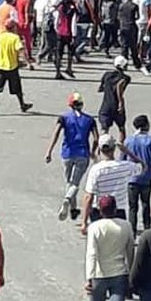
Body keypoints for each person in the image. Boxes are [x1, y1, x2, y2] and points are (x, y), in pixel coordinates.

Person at [84, 195, 135, 301]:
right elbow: (130, 251)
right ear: (115, 209)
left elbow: (92, 254)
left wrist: (89, 277)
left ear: (100, 210)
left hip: (99, 274)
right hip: (119, 274)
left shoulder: (95, 227)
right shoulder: (126, 226)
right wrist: (130, 272)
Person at [45, 92, 99, 221]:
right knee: (75, 183)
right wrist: (92, 151)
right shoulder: (90, 120)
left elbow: (56, 134)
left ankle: (73, 209)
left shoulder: (64, 118)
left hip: (67, 153)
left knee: (69, 181)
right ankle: (68, 200)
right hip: (82, 153)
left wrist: (49, 151)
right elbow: (96, 138)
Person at [81, 134, 146, 234]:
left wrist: (84, 222)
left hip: (99, 210)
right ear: (114, 148)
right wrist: (127, 151)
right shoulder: (125, 166)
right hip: (118, 210)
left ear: (99, 149)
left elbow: (88, 196)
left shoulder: (96, 170)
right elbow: (143, 167)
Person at [124, 115, 151, 237]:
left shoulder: (128, 140)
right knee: (146, 204)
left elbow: (122, 158)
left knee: (132, 207)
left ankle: (132, 232)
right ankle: (147, 230)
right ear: (146, 125)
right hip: (146, 178)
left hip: (131, 178)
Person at [97, 56, 131, 143]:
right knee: (121, 128)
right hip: (116, 104)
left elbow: (101, 88)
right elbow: (119, 88)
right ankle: (122, 148)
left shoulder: (107, 75)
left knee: (104, 129)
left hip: (106, 104)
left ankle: (102, 147)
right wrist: (121, 103)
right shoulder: (125, 78)